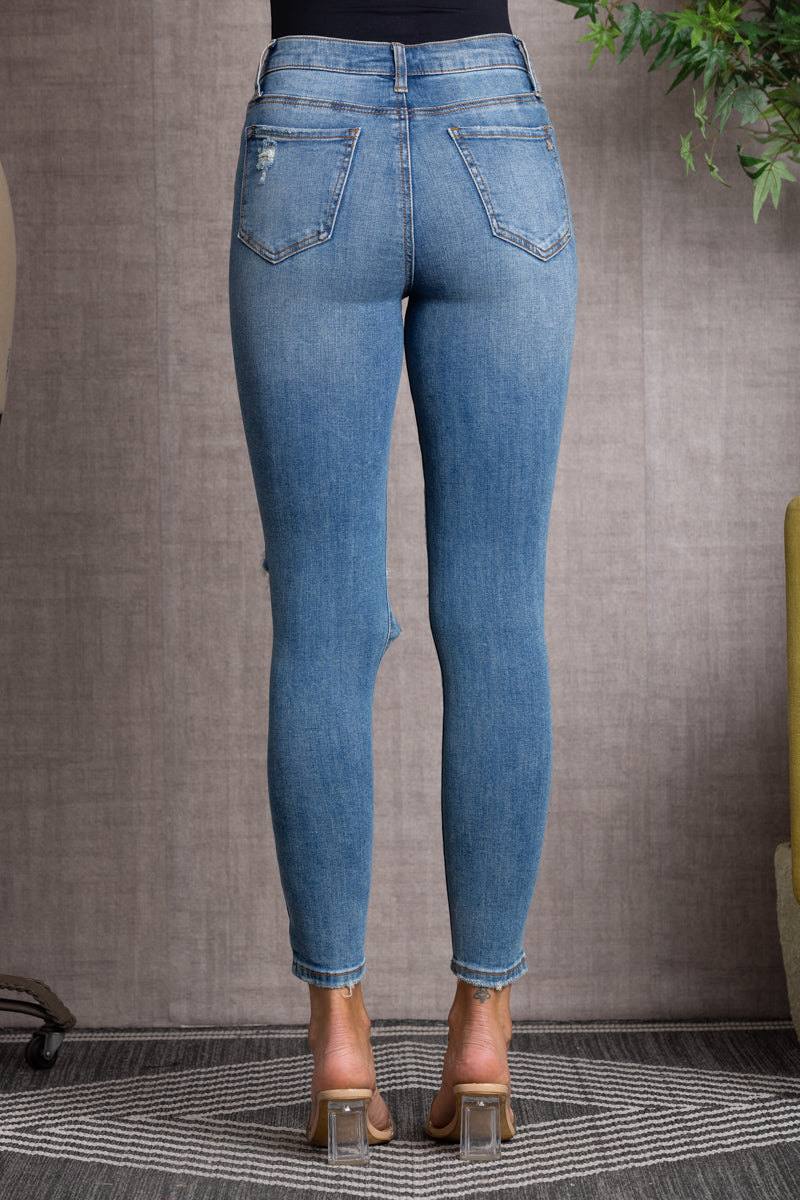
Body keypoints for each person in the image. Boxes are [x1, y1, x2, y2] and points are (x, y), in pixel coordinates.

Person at [228, 0, 578, 1151]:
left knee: (321, 623)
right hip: (491, 127)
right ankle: (483, 1036)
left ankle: (338, 1041)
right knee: (497, 621)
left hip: (307, 125)